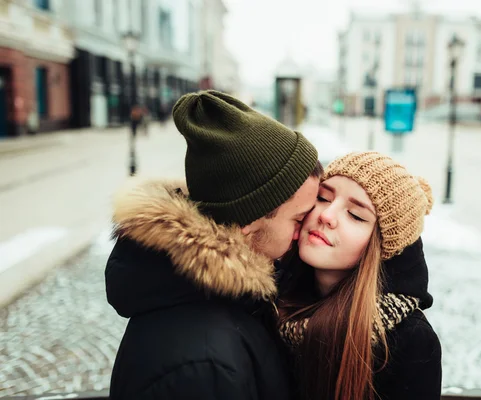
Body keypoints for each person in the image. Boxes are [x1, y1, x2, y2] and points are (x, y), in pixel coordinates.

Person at [105, 90, 323, 400]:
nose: (303, 234)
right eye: (298, 220)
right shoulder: (203, 368)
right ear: (248, 226)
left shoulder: (219, 297)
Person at [277, 151, 442, 400]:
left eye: (355, 215)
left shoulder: (408, 340)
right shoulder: (267, 295)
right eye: (323, 198)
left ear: (382, 247)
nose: (327, 216)